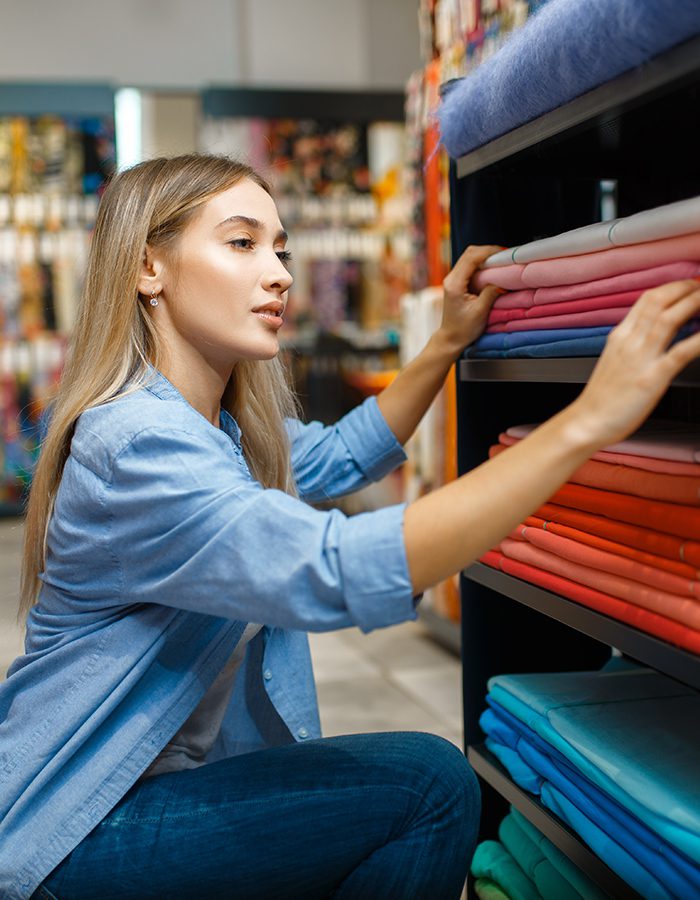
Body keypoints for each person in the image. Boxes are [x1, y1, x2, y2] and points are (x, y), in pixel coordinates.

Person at [2, 154, 699, 900]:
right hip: (79, 831)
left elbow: (339, 455)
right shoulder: (139, 442)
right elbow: (333, 569)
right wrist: (587, 420)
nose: (278, 275)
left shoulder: (219, 433)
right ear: (149, 268)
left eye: (280, 250)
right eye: (242, 244)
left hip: (149, 796)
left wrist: (444, 343)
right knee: (428, 786)